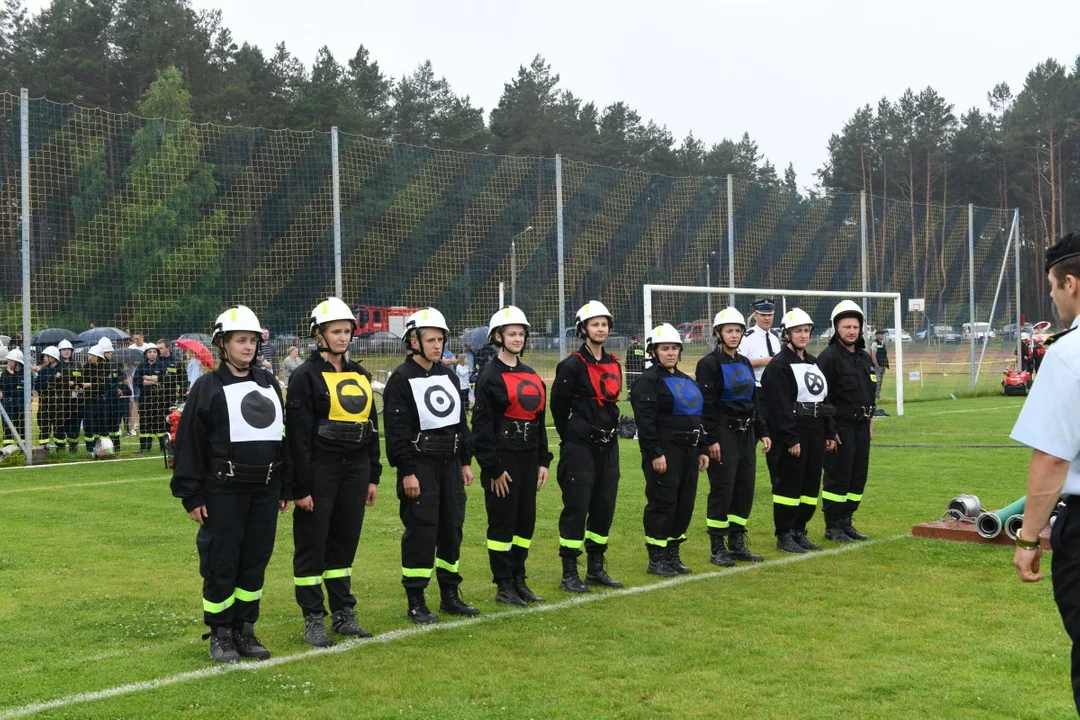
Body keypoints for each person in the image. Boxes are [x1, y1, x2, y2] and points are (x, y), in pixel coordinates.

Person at [170, 305, 291, 663]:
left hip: (265, 490)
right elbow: (188, 443)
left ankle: (245, 628)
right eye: (241, 340)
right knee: (222, 561)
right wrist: (191, 495)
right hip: (224, 490)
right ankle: (220, 633)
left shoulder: (269, 383)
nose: (248, 346)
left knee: (255, 560)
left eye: (253, 340)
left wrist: (284, 486)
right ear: (223, 344)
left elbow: (281, 437)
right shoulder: (207, 387)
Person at [1011, 232, 1080, 713]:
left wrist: (1029, 538)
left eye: (1053, 288)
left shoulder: (1067, 354)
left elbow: (1053, 458)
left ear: (1071, 283)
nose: (1053, 300)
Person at [287, 298, 382, 646]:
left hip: (355, 470)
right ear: (319, 334)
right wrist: (301, 486)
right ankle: (313, 618)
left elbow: (370, 426)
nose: (342, 338)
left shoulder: (360, 374)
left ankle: (343, 613)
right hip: (319, 470)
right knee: (313, 545)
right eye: (335, 332)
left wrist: (373, 475)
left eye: (346, 332)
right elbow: (297, 437)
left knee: (344, 543)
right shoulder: (304, 376)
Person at [384, 307, 477, 624]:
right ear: (413, 341)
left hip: (450, 464)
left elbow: (460, 423)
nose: (438, 346)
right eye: (431, 339)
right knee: (422, 532)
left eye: (441, 339)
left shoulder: (448, 375)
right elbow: (396, 432)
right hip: (420, 465)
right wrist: (407, 470)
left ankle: (450, 594)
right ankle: (416, 599)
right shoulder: (401, 379)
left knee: (452, 529)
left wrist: (465, 460)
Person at [472, 306, 553, 607]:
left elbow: (539, 421)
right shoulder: (489, 375)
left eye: (521, 333)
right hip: (502, 459)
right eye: (511, 333)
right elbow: (481, 428)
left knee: (525, 522)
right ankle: (503, 584)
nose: (517, 338)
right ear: (498, 336)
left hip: (529, 457)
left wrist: (543, 460)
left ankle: (519, 579)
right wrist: (493, 469)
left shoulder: (531, 374)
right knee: (502, 523)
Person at [551, 300, 624, 592]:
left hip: (609, 446)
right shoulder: (571, 365)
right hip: (580, 448)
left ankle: (596, 568)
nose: (601, 329)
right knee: (577, 507)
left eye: (604, 324)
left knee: (604, 506)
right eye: (595, 324)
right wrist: (575, 435)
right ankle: (570, 571)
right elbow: (558, 408)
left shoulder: (614, 363)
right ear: (583, 329)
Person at [631, 323, 709, 576]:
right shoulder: (647, 381)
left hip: (689, 451)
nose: (671, 353)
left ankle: (673, 553)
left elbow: (699, 416)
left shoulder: (687, 380)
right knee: (662, 503)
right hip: (666, 452)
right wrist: (654, 452)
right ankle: (657, 558)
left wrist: (703, 447)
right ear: (653, 352)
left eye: (675, 348)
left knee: (684, 503)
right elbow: (646, 422)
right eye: (665, 348)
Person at [696, 308, 771, 566]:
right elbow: (706, 405)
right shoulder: (708, 364)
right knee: (723, 489)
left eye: (738, 330)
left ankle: (737, 543)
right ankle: (718, 546)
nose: (734, 335)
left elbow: (754, 400)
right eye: (729, 330)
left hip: (746, 434)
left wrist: (762, 432)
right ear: (718, 333)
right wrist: (711, 440)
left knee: (744, 489)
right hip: (723, 433)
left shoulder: (744, 362)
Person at [761, 308, 838, 554]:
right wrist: (790, 438)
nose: (803, 335)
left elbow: (824, 400)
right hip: (792, 433)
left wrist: (828, 432)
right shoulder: (779, 365)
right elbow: (778, 406)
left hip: (815, 431)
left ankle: (799, 530)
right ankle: (784, 534)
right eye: (798, 331)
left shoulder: (813, 363)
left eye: (806, 331)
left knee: (809, 486)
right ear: (787, 335)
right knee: (789, 487)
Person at [817, 301, 876, 543]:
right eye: (846, 326)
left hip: (862, 427)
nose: (851, 331)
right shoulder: (828, 358)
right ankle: (833, 526)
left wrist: (871, 419)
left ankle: (846, 522)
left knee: (857, 478)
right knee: (838, 476)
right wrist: (829, 431)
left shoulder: (863, 357)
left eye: (855, 326)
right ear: (836, 328)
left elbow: (870, 391)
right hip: (840, 427)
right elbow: (821, 397)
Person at [134, 346, 169, 455]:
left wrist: (147, 378)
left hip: (159, 398)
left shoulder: (162, 365)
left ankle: (163, 447)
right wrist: (153, 380)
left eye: (154, 352)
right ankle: (144, 447)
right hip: (145, 398)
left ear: (157, 354)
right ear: (146, 354)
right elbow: (137, 381)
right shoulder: (141, 366)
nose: (152, 354)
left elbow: (164, 379)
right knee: (145, 421)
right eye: (150, 352)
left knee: (159, 421)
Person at [56, 339, 83, 454]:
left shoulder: (77, 364)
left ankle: (73, 447)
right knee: (64, 424)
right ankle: (60, 448)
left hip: (77, 400)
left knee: (76, 424)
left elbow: (82, 378)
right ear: (59, 351)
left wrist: (77, 384)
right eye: (64, 350)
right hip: (63, 401)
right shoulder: (57, 365)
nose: (67, 352)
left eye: (68, 350)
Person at [34, 346, 63, 452]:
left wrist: (48, 385)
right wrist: (48, 384)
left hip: (58, 404)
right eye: (45, 356)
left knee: (59, 428)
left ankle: (61, 451)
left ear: (53, 357)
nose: (45, 358)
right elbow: (37, 386)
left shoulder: (62, 369)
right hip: (44, 403)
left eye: (47, 356)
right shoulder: (43, 371)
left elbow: (63, 386)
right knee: (44, 427)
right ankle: (43, 451)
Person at [0, 348, 26, 455]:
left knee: (22, 427)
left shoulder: (24, 373)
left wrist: (12, 376)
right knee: (7, 428)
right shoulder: (4, 373)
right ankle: (7, 451)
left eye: (11, 360)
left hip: (21, 404)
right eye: (9, 360)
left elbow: (20, 387)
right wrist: (9, 375)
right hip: (8, 404)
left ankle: (23, 451)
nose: (9, 362)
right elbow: (6, 388)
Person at [870, 329, 888, 400]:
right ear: (877, 335)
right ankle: (874, 396)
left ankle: (877, 395)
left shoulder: (882, 343)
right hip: (877, 366)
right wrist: (876, 365)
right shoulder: (875, 343)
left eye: (883, 334)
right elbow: (873, 355)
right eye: (881, 334)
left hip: (882, 365)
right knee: (877, 381)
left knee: (880, 381)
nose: (882, 335)